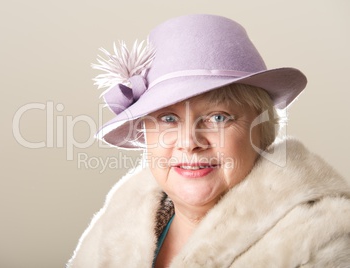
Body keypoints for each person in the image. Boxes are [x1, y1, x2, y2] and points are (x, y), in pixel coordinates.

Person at [67, 14, 350, 267]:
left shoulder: (319, 244)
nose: (189, 143)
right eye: (168, 118)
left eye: (218, 117)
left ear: (262, 130)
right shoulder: (117, 222)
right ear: (145, 133)